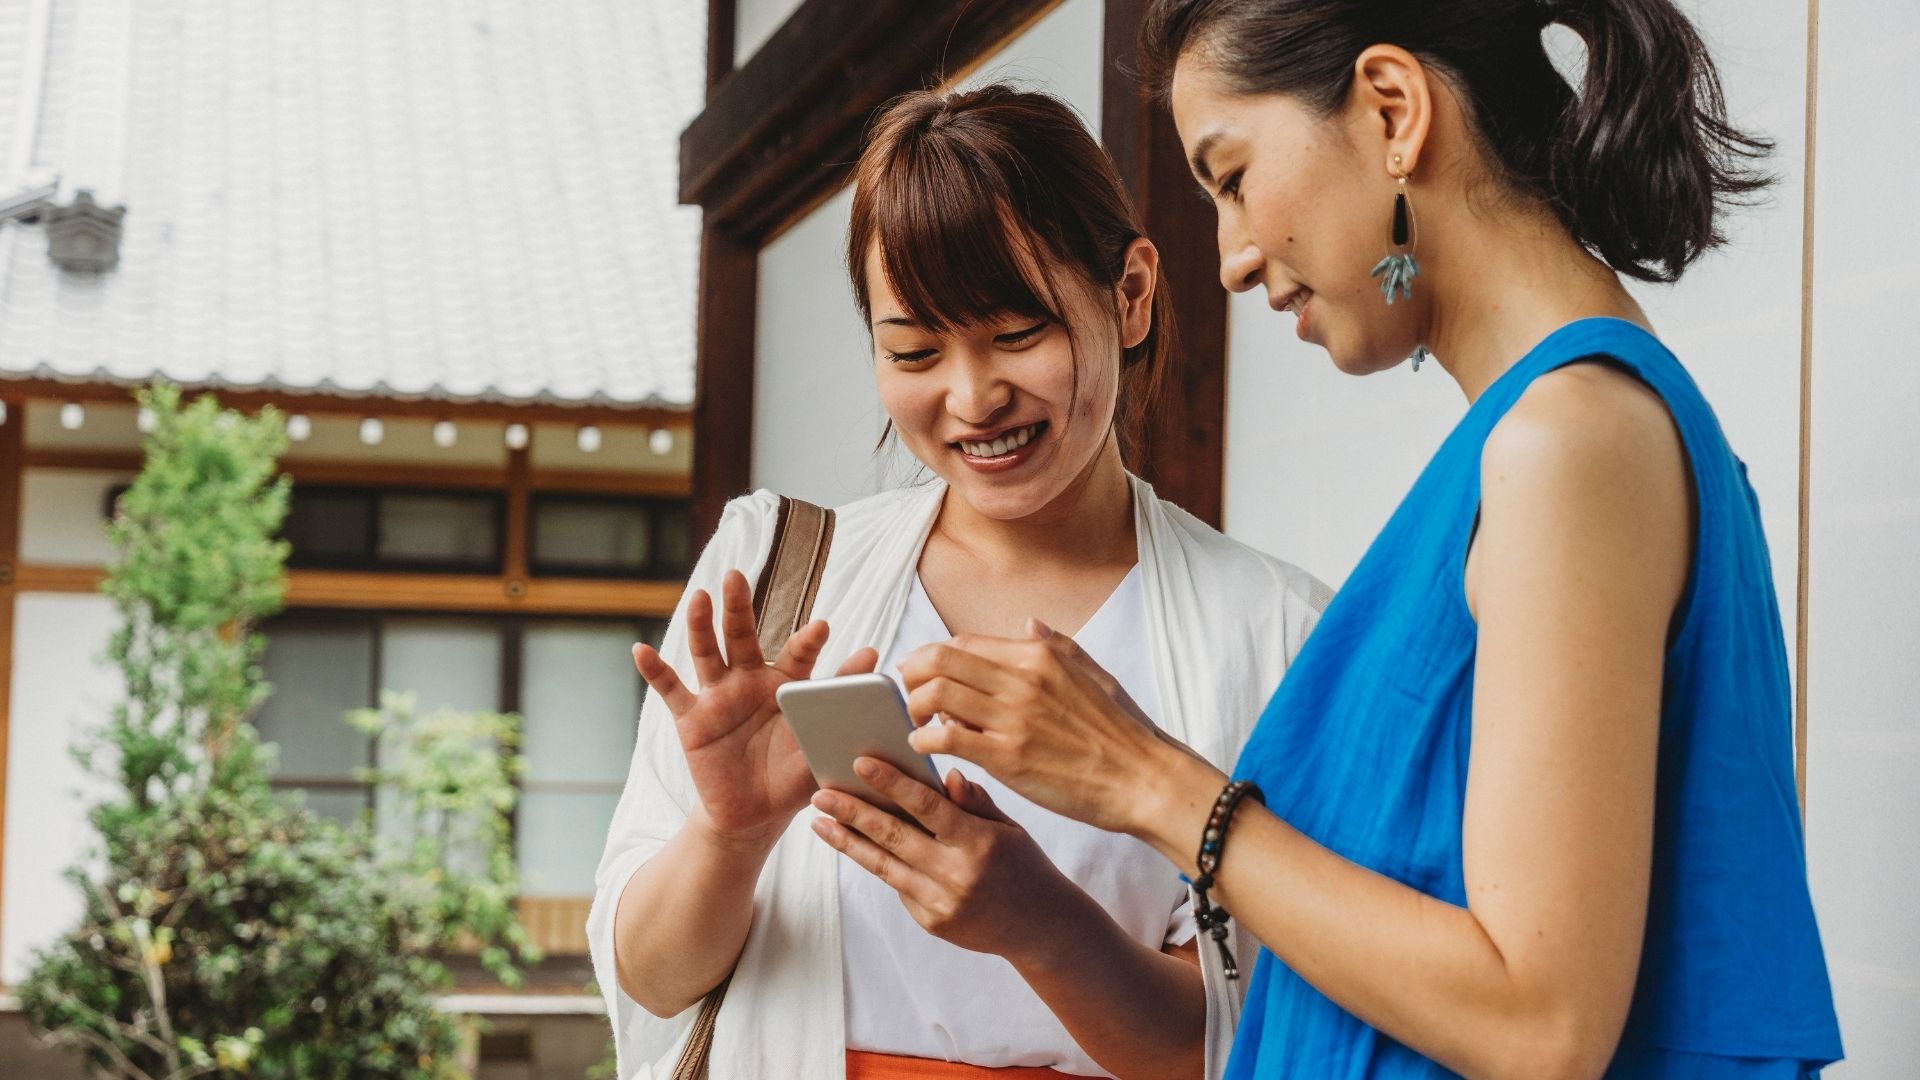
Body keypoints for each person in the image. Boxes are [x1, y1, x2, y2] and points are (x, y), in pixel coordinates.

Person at [898, 2, 1845, 1077]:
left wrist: (1148, 782)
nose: (1234, 259)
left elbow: (1540, 1024)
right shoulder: (1544, 442)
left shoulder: (1568, 441)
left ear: (1394, 110)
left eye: (1234, 177)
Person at [586, 85, 1330, 1080]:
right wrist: (731, 834)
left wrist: (1042, 924)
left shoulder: (1276, 636)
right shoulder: (774, 578)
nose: (973, 398)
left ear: (1132, 293)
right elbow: (650, 979)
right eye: (915, 351)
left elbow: (1263, 1041)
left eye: (1019, 333)